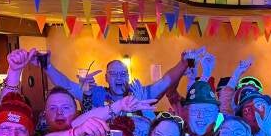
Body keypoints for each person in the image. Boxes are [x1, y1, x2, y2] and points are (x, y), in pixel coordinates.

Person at [45, 53, 190, 109]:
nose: (119, 77)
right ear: (106, 78)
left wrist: (184, 63)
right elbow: (67, 85)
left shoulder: (139, 93)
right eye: (114, 74)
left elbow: (165, 81)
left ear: (128, 77)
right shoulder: (95, 93)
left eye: (123, 73)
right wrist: (47, 65)